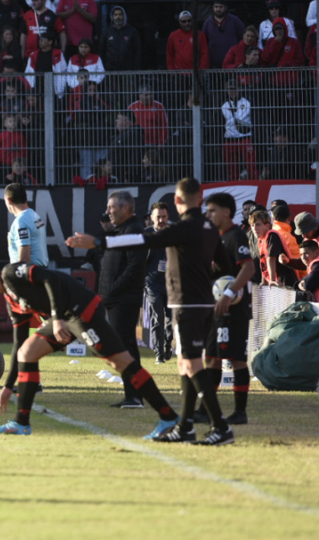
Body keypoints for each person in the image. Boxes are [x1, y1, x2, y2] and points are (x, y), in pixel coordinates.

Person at [67, 177, 235, 446]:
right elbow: (226, 268)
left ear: (177, 201)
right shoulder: (209, 228)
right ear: (200, 199)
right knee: (184, 364)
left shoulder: (185, 227)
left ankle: (221, 426)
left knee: (191, 364)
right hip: (201, 303)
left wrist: (98, 243)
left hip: (187, 304)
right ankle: (186, 426)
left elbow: (143, 239)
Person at [0, 259, 179, 438]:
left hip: (81, 310)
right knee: (27, 352)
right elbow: (18, 345)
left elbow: (50, 278)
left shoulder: (10, 273)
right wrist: (7, 387)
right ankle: (21, 423)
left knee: (120, 362)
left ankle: (168, 416)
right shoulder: (11, 300)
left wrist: (57, 318)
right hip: (64, 317)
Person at [204, 192, 256, 426]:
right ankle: (206, 409)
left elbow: (248, 269)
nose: (208, 214)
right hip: (216, 309)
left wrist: (228, 292)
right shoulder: (216, 237)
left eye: (212, 210)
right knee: (212, 358)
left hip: (233, 310)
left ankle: (240, 412)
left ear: (226, 212)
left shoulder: (236, 236)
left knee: (236, 359)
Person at [0, 183, 49, 406]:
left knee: (26, 335)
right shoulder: (34, 215)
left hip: (29, 280)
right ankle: (31, 381)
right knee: (30, 334)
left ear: (8, 201)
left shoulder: (21, 221)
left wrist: (13, 278)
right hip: (39, 276)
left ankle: (27, 381)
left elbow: (25, 255)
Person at [98, 191, 148, 408]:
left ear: (125, 208)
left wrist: (113, 290)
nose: (108, 211)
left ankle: (135, 395)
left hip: (123, 298)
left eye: (111, 207)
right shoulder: (121, 230)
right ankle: (133, 394)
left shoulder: (134, 230)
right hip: (116, 298)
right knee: (123, 346)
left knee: (125, 347)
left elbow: (135, 267)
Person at [143, 201, 173, 363]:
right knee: (157, 316)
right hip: (152, 282)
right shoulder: (145, 235)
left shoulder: (175, 233)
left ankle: (168, 343)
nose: (161, 220)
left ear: (168, 217)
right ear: (151, 218)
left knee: (171, 319)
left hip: (172, 283)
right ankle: (158, 353)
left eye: (164, 217)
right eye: (158, 217)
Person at [250, 209, 298, 288]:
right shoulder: (261, 240)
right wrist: (264, 281)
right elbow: (263, 262)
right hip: (277, 282)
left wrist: (272, 280)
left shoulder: (272, 235)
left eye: (258, 224)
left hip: (285, 281)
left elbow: (271, 258)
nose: (254, 228)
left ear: (267, 226)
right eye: (252, 225)